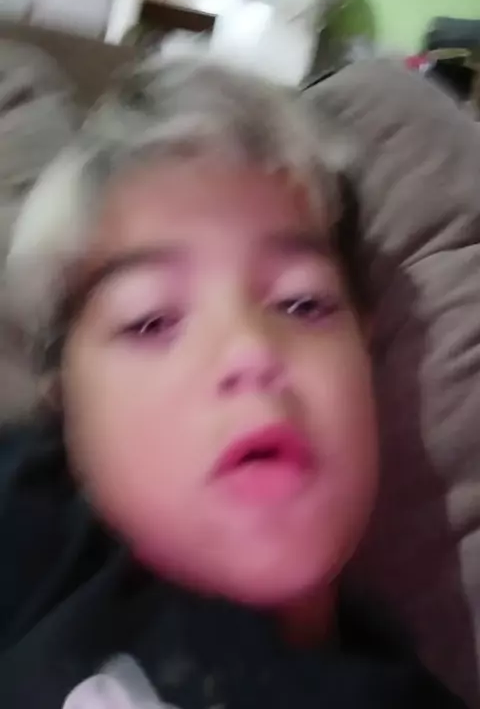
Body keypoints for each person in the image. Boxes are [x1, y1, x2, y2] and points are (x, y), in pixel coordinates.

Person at [0, 59, 465, 708]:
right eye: (152, 320)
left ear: (367, 354)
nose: (251, 350)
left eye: (302, 304)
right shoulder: (35, 549)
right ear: (66, 406)